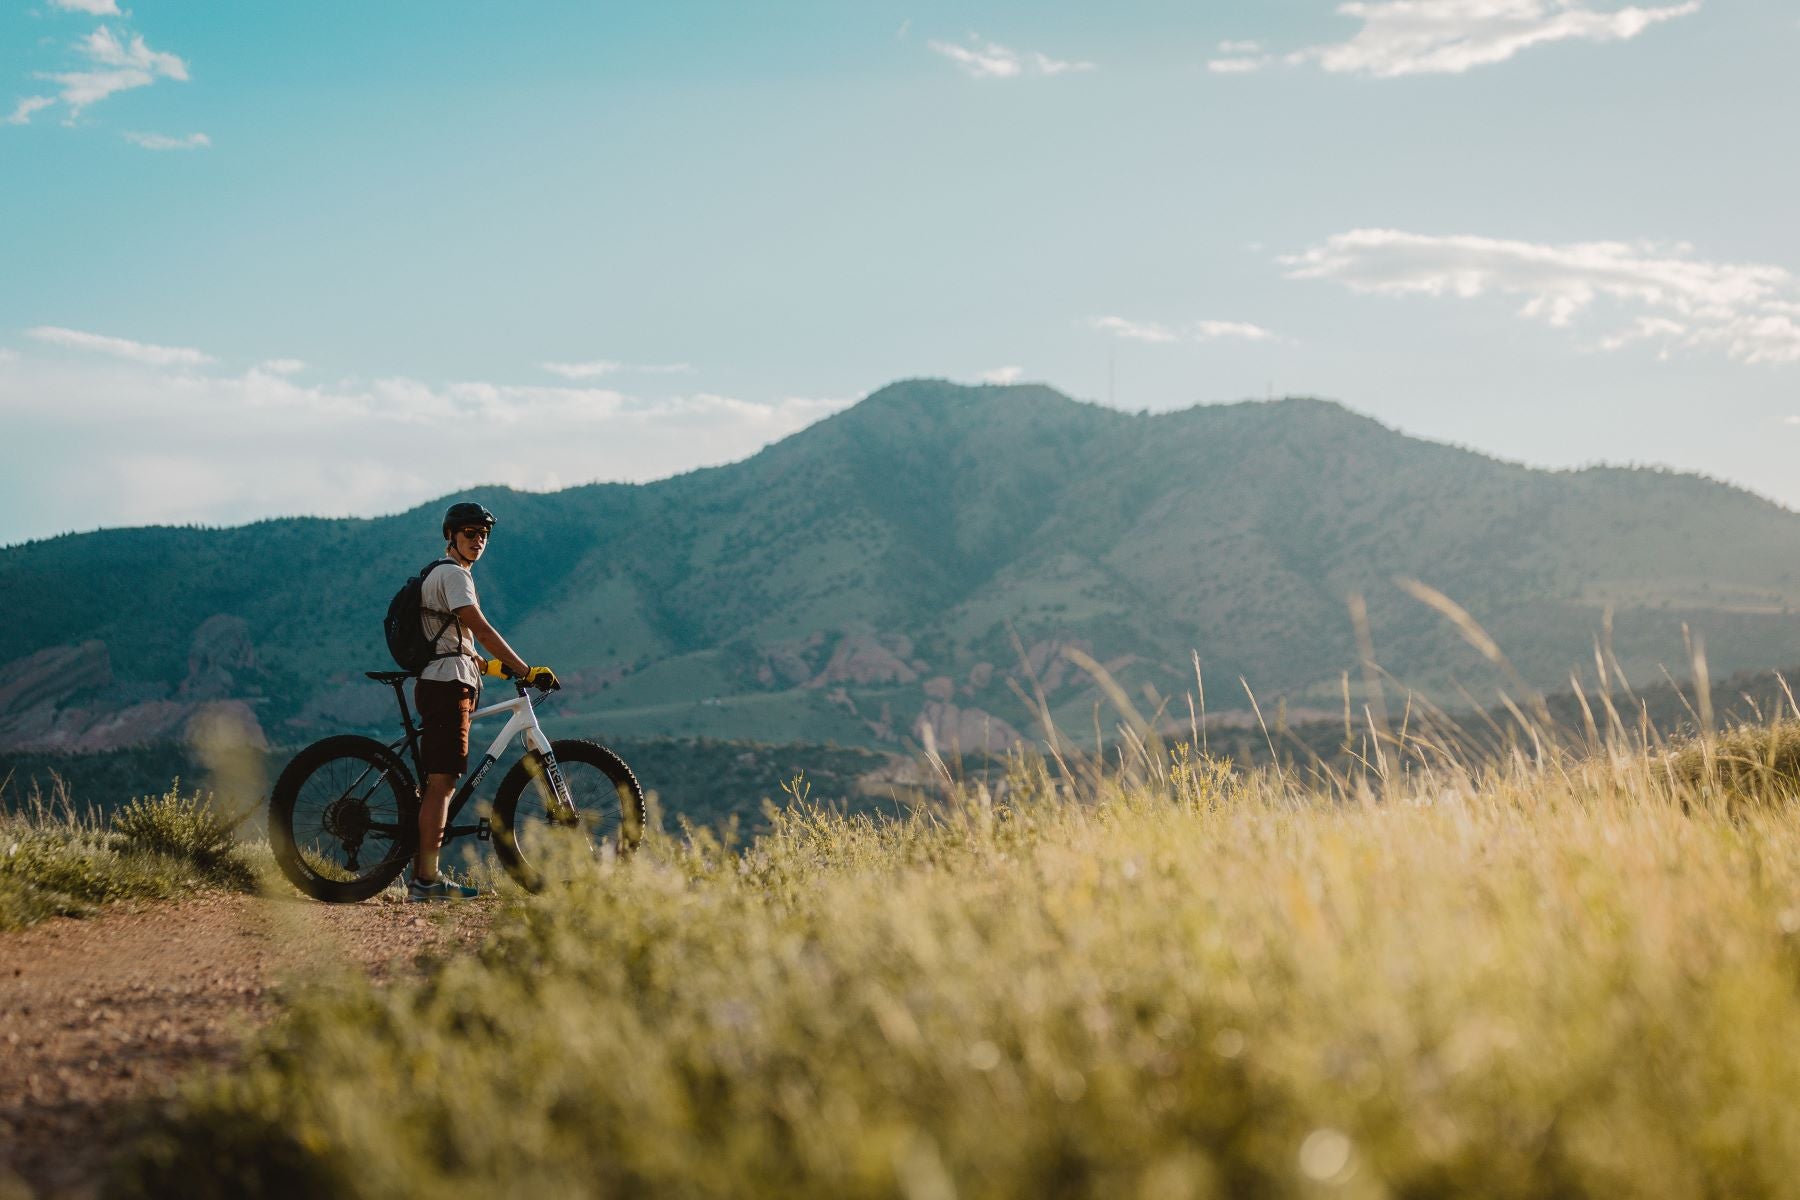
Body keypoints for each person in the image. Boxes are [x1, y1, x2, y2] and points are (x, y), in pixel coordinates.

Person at [410, 500, 558, 901]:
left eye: (484, 535)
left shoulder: (441, 576)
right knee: (443, 782)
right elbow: (484, 630)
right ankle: (426, 882)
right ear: (451, 537)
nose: (478, 541)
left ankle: (422, 872)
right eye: (470, 534)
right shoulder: (454, 576)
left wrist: (493, 669)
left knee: (438, 781)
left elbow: (466, 647)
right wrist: (526, 670)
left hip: (447, 679)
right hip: (447, 685)